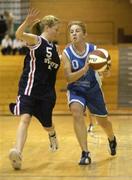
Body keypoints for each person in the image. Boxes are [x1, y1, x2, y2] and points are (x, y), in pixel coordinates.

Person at [8, 8, 61, 170]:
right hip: (29, 87)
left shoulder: (56, 50)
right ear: (48, 28)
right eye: (56, 29)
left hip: (46, 93)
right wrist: (26, 23)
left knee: (47, 125)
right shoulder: (36, 41)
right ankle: (17, 152)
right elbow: (18, 35)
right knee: (25, 118)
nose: (58, 32)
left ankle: (52, 134)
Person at [62, 21, 117, 165]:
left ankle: (111, 138)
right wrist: (84, 69)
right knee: (76, 112)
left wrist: (105, 69)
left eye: (77, 31)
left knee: (103, 122)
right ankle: (85, 153)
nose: (74, 33)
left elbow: (107, 73)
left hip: (93, 90)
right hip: (76, 90)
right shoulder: (67, 53)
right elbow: (68, 77)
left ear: (85, 34)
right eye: (71, 31)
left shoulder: (95, 50)